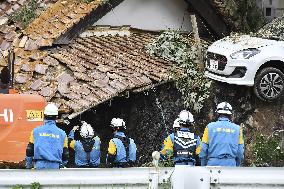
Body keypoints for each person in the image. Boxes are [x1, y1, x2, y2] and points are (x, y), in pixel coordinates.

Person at [199, 102, 244, 166]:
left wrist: (203, 165)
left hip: (212, 164)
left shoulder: (209, 127)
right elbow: (240, 152)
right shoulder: (237, 129)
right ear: (231, 114)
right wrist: (236, 165)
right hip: (230, 164)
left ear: (217, 113)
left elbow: (203, 149)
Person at [25, 103, 69, 169]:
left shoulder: (35, 131)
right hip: (55, 167)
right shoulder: (62, 134)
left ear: (44, 116)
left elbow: (29, 150)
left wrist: (28, 165)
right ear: (56, 117)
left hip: (39, 166)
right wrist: (61, 165)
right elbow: (65, 154)